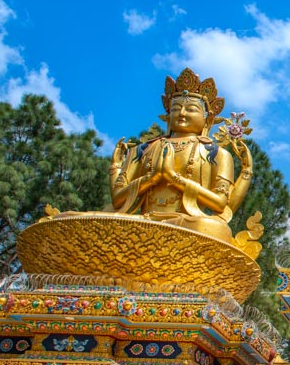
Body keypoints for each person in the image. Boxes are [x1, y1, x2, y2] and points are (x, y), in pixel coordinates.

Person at [107, 68, 252, 243]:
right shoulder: (142, 150)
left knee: (215, 229)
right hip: (143, 221)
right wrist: (150, 178)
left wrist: (173, 177)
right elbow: (117, 200)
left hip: (188, 223)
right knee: (86, 219)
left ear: (208, 119)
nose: (181, 113)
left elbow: (220, 204)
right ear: (168, 115)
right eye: (176, 108)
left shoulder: (216, 154)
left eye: (190, 109)